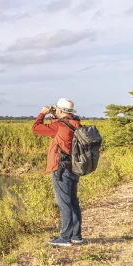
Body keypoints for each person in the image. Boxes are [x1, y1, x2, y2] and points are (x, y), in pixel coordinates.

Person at [32, 98, 83, 247]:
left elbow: (36, 127)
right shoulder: (76, 123)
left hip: (61, 168)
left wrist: (42, 113)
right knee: (73, 202)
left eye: (56, 110)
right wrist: (54, 116)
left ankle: (65, 237)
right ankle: (76, 236)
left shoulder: (58, 126)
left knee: (64, 203)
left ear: (60, 110)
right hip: (74, 167)